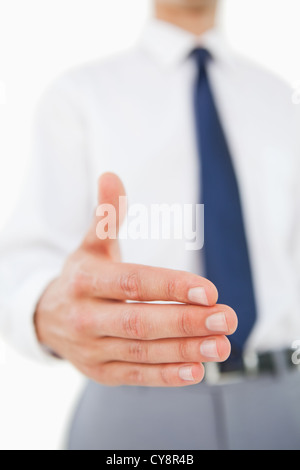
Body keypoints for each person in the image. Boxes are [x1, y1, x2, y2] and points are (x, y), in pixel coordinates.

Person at [0, 0, 300, 450]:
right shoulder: (79, 94)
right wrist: (47, 308)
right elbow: (21, 262)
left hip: (283, 401)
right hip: (135, 404)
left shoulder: (280, 99)